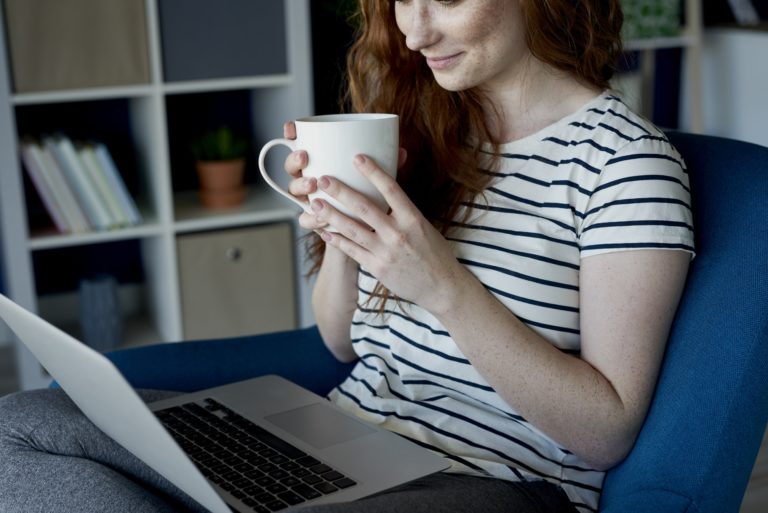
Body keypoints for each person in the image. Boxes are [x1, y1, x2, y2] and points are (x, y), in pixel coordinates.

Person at [0, 1, 694, 512]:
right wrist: (338, 227)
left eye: (446, 0)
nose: (415, 32)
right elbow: (340, 340)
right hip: (338, 441)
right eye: (401, 1)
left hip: (488, 482)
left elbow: (606, 431)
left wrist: (446, 288)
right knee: (17, 425)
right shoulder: (429, 130)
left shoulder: (625, 166)